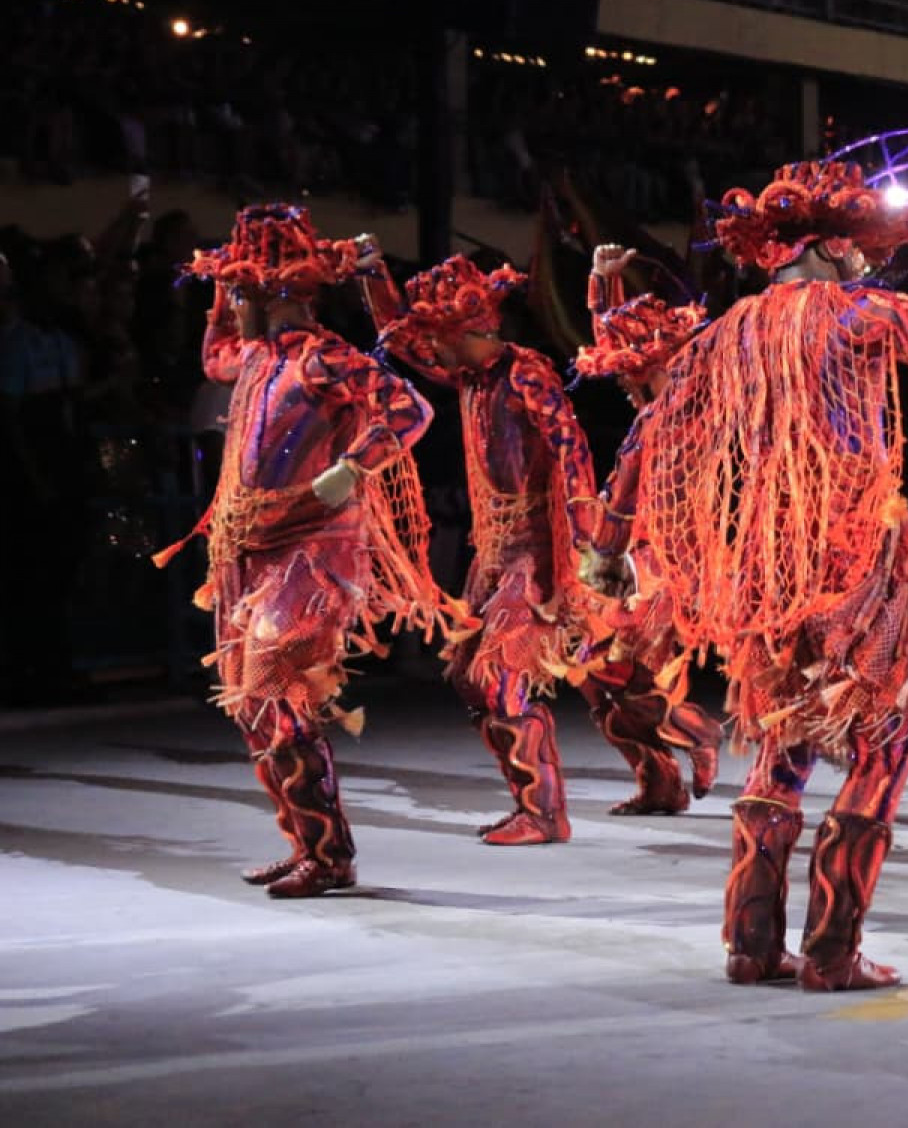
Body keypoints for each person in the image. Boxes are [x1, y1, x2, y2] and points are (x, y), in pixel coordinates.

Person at [635, 165, 908, 991]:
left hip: (769, 559)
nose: (868, 268)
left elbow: (652, 430)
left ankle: (750, 942)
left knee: (784, 739)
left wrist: (609, 537)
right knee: (885, 739)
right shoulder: (859, 310)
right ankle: (832, 952)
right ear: (837, 246)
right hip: (855, 549)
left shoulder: (727, 329)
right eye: (860, 252)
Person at [156, 204, 449, 897]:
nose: (233, 305)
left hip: (312, 546)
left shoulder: (323, 355)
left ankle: (329, 855)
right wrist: (219, 296)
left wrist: (354, 463)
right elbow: (213, 356)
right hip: (248, 547)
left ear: (272, 294)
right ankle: (312, 844)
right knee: (256, 708)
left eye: (241, 292)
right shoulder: (257, 356)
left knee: (274, 696)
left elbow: (411, 409)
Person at [359, 245, 599, 846]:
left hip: (534, 550)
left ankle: (545, 812)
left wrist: (591, 540)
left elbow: (572, 450)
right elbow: (397, 339)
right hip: (492, 549)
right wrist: (372, 274)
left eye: (437, 337)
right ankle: (530, 803)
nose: (429, 350)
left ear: (468, 329)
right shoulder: (469, 376)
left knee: (498, 673)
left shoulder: (525, 372)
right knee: (469, 676)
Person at [569, 246, 723, 816]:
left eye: (641, 371)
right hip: (636, 553)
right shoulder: (652, 411)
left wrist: (606, 551)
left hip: (672, 561)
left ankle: (699, 732)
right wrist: (602, 284)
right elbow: (612, 344)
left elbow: (633, 491)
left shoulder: (688, 412)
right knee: (597, 673)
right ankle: (659, 782)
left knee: (628, 666)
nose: (628, 381)